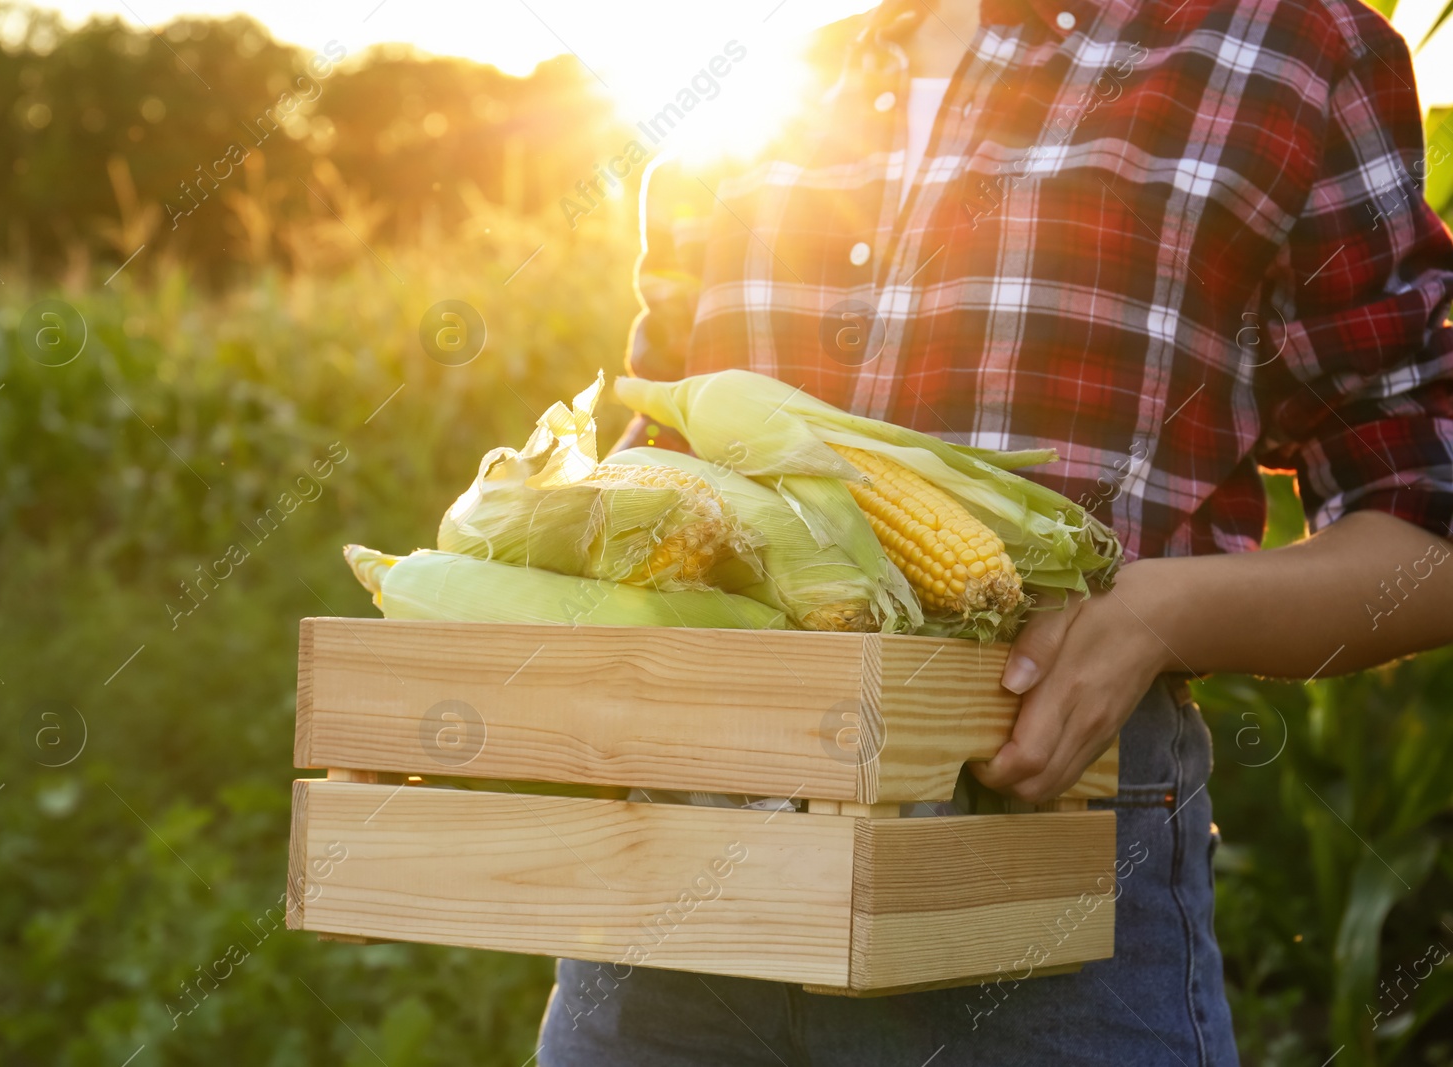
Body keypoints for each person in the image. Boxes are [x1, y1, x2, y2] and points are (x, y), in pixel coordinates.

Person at [537, 0, 1453, 1061]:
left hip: (1038, 903)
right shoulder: (759, 85)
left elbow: (1427, 531)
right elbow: (659, 477)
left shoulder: (1280, 51)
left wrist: (1162, 613)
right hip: (668, 916)